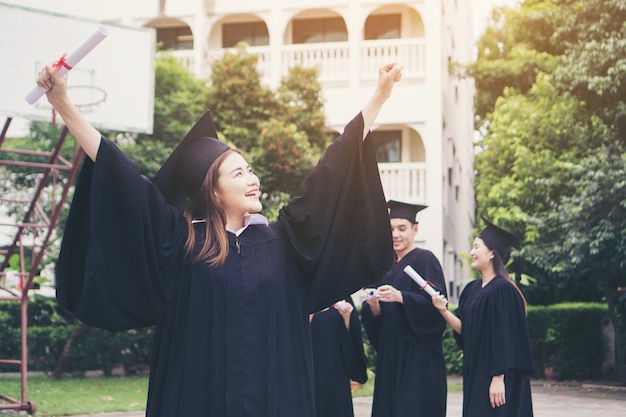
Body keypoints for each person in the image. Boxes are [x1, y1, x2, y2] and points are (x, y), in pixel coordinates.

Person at [38, 61, 403, 416]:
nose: (252, 178)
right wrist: (64, 105)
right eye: (239, 173)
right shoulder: (181, 244)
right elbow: (125, 181)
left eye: (250, 170)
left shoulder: (285, 242)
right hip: (199, 398)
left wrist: (378, 97)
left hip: (275, 398)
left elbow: (333, 172)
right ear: (213, 191)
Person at [432, 216, 535, 417]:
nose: (471, 252)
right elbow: (466, 330)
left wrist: (498, 378)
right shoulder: (471, 290)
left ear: (492, 253)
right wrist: (442, 309)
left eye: (477, 247)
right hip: (477, 371)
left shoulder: (505, 290)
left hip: (499, 375)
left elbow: (507, 338)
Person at [361, 200, 448, 417]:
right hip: (390, 356)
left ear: (415, 229)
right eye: (391, 229)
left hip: (418, 357)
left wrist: (402, 297)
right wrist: (373, 306)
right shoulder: (384, 266)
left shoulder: (425, 259)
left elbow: (437, 307)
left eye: (402, 228)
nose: (396, 234)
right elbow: (377, 322)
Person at [309, 298, 368, 417]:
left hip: (335, 370)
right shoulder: (301, 291)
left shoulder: (340, 293)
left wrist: (346, 318)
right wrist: (310, 314)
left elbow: (352, 341)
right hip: (307, 369)